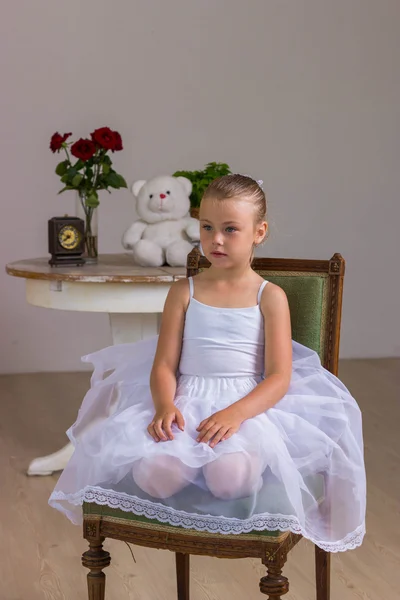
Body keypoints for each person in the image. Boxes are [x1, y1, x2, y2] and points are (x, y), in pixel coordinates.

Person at [49, 174, 366, 552]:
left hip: (245, 405)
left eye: (231, 229)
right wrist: (166, 405)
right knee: (154, 475)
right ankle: (185, 473)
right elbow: (165, 364)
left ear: (258, 232)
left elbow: (279, 376)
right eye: (207, 227)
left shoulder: (270, 296)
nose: (216, 239)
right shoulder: (184, 291)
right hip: (188, 398)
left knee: (228, 479)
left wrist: (235, 415)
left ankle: (238, 464)